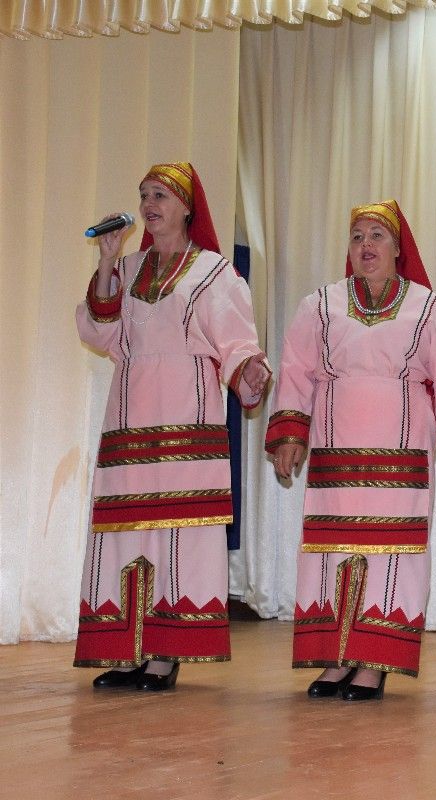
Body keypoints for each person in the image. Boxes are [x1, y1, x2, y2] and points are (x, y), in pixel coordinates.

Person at [266, 200, 436, 701]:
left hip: (401, 444)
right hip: (335, 444)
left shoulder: (429, 307)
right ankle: (334, 656)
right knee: (331, 546)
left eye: (377, 236)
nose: (366, 245)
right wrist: (289, 435)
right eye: (357, 235)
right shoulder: (319, 305)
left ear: (398, 249)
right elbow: (296, 369)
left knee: (392, 549)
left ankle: (374, 660)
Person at [75, 162, 271, 690]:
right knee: (127, 527)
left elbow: (236, 340)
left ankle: (166, 650)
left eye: (160, 195)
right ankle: (127, 645)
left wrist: (249, 367)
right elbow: (100, 332)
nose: (148, 205)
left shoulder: (213, 271)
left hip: (188, 411)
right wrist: (107, 263)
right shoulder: (130, 266)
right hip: (131, 413)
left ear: (186, 207)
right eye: (143, 195)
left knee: (179, 530)